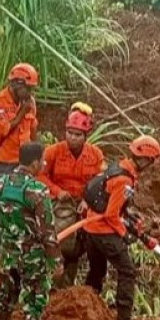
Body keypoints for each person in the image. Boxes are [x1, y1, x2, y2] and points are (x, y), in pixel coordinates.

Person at [0, 141, 61, 320]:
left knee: (6, 292)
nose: (45, 164)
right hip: (33, 257)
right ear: (35, 162)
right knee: (34, 300)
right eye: (43, 160)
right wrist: (55, 260)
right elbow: (47, 230)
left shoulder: (0, 183)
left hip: (8, 253)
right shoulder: (37, 190)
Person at [82, 135, 160, 320]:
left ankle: (86, 309)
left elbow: (116, 208)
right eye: (150, 162)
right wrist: (124, 235)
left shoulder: (119, 167)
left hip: (90, 228)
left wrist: (133, 222)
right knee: (127, 271)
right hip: (103, 230)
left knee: (97, 270)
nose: (150, 166)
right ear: (143, 160)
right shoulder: (124, 180)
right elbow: (111, 215)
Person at [39, 108, 105, 286]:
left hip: (85, 205)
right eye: (70, 133)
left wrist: (88, 200)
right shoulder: (53, 151)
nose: (73, 138)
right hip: (61, 202)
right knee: (59, 239)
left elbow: (101, 180)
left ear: (85, 136)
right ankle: (52, 280)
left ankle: (70, 284)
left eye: (78, 134)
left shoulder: (96, 155)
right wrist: (57, 191)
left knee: (81, 246)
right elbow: (40, 175)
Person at [0, 63, 39, 176]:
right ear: (16, 85)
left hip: (25, 161)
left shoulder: (30, 102)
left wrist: (37, 155)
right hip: (5, 161)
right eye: (28, 89)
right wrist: (23, 112)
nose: (30, 93)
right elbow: (5, 129)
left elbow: (33, 128)